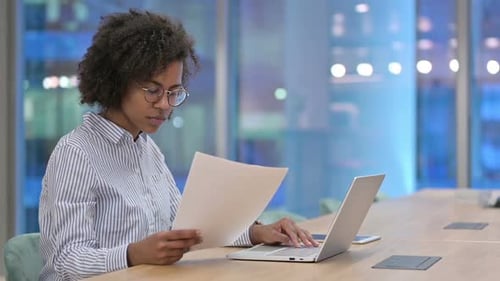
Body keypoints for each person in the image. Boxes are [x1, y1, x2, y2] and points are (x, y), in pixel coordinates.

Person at [38, 9, 318, 281]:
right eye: (153, 91)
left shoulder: (148, 150)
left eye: (173, 92)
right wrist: (132, 254)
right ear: (117, 82)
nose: (164, 105)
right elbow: (66, 262)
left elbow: (185, 230)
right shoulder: (76, 153)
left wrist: (256, 233)